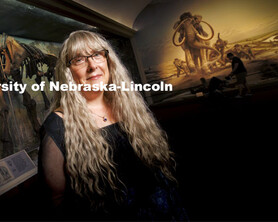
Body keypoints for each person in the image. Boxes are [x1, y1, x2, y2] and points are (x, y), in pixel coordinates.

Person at [38, 31, 187, 220]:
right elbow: (56, 201)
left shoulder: (129, 106)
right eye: (79, 60)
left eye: (97, 55)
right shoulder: (58, 125)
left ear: (108, 60)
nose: (93, 66)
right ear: (68, 73)